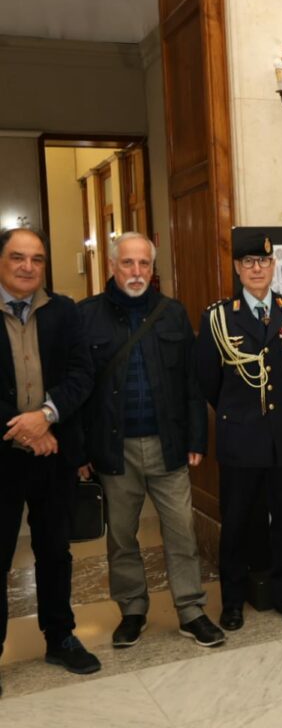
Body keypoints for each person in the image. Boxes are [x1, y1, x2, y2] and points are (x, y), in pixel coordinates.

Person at [78, 232, 224, 648]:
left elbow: (192, 384)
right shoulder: (87, 316)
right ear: (111, 265)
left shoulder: (173, 314)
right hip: (114, 447)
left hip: (169, 444)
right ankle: (133, 610)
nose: (137, 272)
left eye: (144, 264)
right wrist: (81, 452)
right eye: (128, 263)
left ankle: (191, 609)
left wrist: (197, 438)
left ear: (153, 268)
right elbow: (78, 389)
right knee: (122, 536)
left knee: (182, 532)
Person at [0, 228, 100, 693]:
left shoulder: (63, 312)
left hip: (54, 450)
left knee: (55, 552)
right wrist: (22, 428)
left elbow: (83, 373)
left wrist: (45, 417)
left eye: (36, 260)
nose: (27, 267)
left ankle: (60, 637)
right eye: (18, 258)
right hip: (3, 455)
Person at [196, 231, 282, 629]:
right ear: (237, 268)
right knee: (237, 524)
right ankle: (232, 600)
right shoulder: (218, 318)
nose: (256, 269)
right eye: (248, 263)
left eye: (263, 262)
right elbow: (209, 383)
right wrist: (240, 413)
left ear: (273, 266)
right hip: (240, 438)